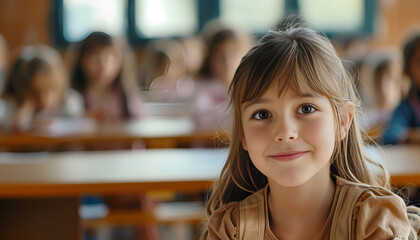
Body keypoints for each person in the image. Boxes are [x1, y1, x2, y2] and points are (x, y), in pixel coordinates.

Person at [201, 16, 419, 239]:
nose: (285, 132)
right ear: (243, 136)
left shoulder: (374, 221)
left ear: (343, 121)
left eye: (306, 109)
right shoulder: (230, 229)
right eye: (262, 114)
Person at [0, 44, 84, 132]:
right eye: (36, 92)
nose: (45, 100)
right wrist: (26, 109)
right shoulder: (11, 106)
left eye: (51, 89)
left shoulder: (70, 102)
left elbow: (77, 124)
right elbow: (14, 126)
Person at [71, 31, 144, 121]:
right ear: (82, 60)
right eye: (95, 57)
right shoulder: (72, 97)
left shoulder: (127, 96)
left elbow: (139, 124)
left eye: (109, 57)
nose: (103, 64)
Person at [193, 20, 252, 130]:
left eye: (233, 54)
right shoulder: (203, 86)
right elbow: (200, 117)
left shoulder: (250, 85)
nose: (227, 62)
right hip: (208, 146)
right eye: (221, 56)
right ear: (209, 59)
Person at [381, 32, 420, 145]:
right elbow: (390, 136)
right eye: (419, 61)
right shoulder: (406, 107)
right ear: (408, 70)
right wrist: (413, 136)